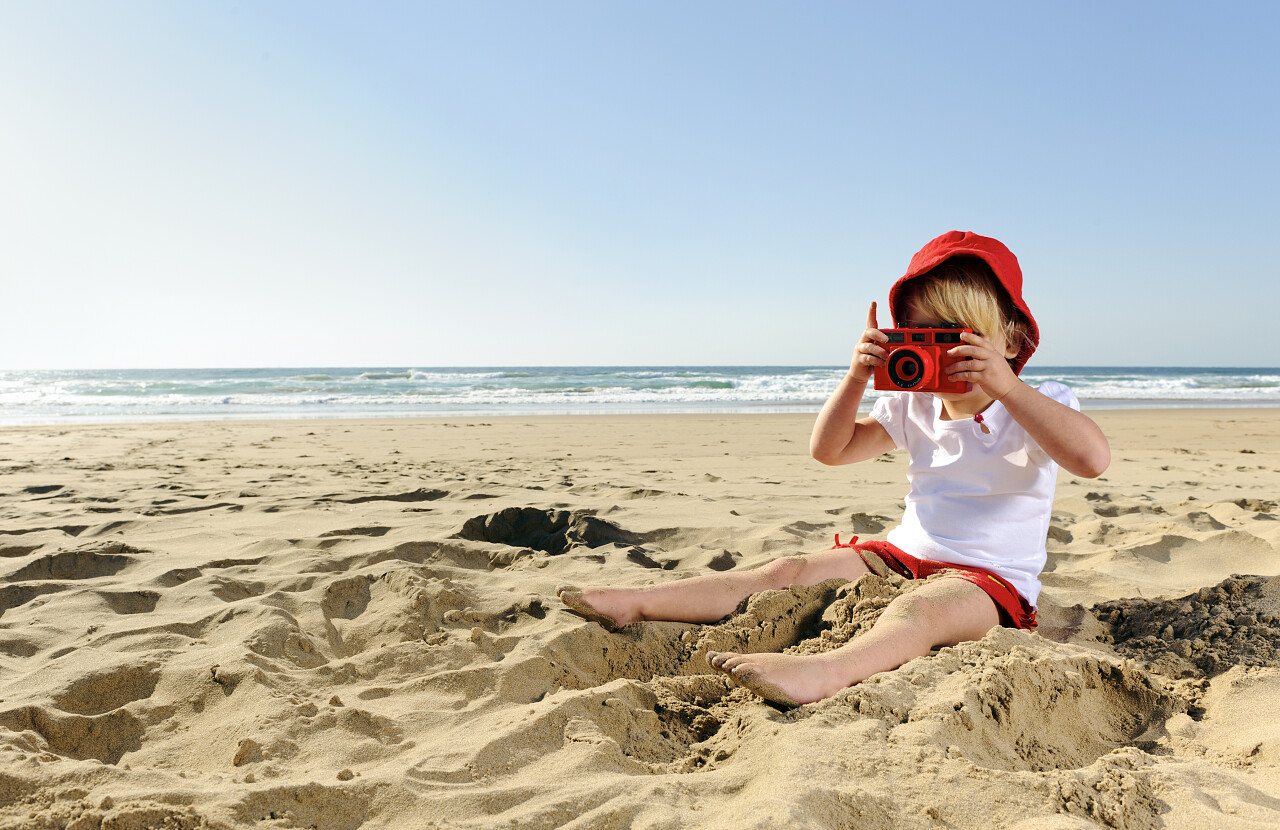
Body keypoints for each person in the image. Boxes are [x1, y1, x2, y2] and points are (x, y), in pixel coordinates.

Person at [556, 231, 1110, 706]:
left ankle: (827, 672)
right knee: (785, 571)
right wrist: (856, 378)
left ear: (1011, 338)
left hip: (988, 581)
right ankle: (640, 603)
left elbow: (1091, 459)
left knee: (920, 614)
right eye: (924, 337)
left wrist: (1007, 386)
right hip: (901, 555)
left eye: (959, 338)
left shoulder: (1038, 405)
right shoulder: (913, 404)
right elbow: (832, 450)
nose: (942, 355)